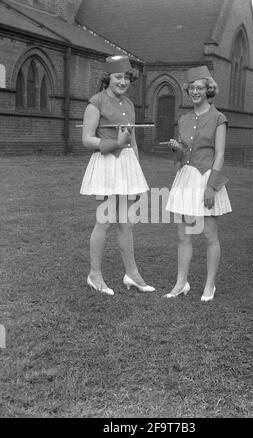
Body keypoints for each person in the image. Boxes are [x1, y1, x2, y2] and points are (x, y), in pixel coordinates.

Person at [80, 55, 155, 295]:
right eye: (118, 77)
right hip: (107, 164)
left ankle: (131, 274)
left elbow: (132, 142)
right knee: (105, 220)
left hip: (126, 166)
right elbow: (86, 139)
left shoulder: (130, 105)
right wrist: (115, 142)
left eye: (126, 78)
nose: (123, 82)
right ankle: (94, 275)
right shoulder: (96, 102)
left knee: (126, 223)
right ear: (108, 78)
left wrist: (138, 172)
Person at [164, 66, 232, 301]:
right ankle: (181, 283)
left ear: (208, 90)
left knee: (209, 234)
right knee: (183, 235)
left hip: (206, 178)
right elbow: (181, 157)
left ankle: (209, 285)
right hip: (186, 177)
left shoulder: (218, 118)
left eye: (199, 88)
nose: (195, 92)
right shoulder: (183, 119)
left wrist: (212, 186)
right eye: (191, 88)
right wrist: (177, 149)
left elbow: (220, 155)